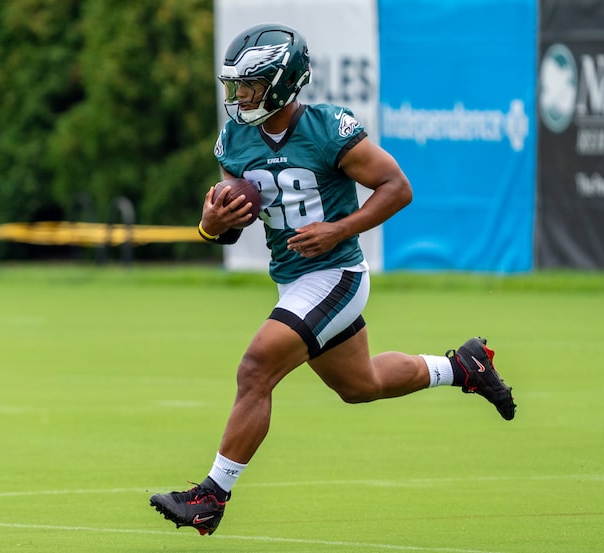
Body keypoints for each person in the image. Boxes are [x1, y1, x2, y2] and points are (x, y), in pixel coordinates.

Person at [149, 22, 516, 537]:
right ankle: (462, 366)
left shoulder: (329, 128)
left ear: (281, 84)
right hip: (293, 280)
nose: (240, 95)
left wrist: (337, 230)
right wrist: (211, 225)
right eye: (236, 85)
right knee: (359, 385)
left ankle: (212, 495)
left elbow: (397, 186)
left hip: (336, 273)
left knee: (256, 368)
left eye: (250, 85)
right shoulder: (235, 137)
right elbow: (228, 223)